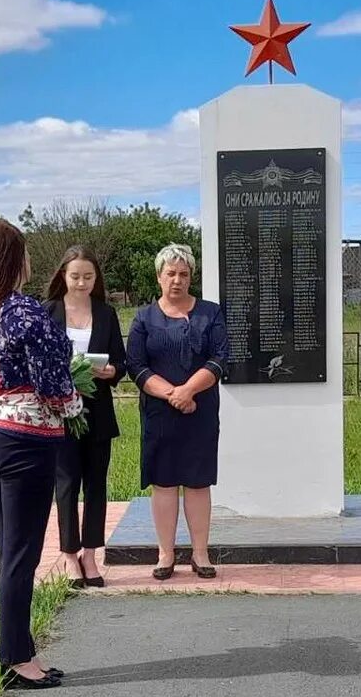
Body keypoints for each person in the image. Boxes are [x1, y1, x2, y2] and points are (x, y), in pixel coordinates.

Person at [0, 219, 82, 691]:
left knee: (8, 548)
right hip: (27, 440)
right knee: (22, 552)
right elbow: (55, 383)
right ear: (15, 259)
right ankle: (16, 657)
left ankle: (18, 649)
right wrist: (72, 404)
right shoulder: (26, 313)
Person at [125, 244, 230, 581]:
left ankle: (200, 554)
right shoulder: (143, 318)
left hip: (199, 410)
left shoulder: (210, 313)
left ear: (191, 278)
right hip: (160, 413)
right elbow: (136, 367)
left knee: (198, 483)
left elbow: (219, 358)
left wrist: (188, 391)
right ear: (159, 277)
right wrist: (173, 394)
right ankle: (165, 554)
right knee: (164, 483)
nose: (177, 280)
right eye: (170, 273)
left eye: (184, 274)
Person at [43, 245, 126, 588]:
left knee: (96, 484)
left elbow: (121, 361)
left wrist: (112, 371)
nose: (81, 283)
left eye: (88, 277)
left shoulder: (106, 313)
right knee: (66, 484)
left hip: (98, 410)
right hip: (60, 412)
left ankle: (91, 553)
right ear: (63, 275)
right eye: (75, 276)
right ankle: (68, 553)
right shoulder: (48, 311)